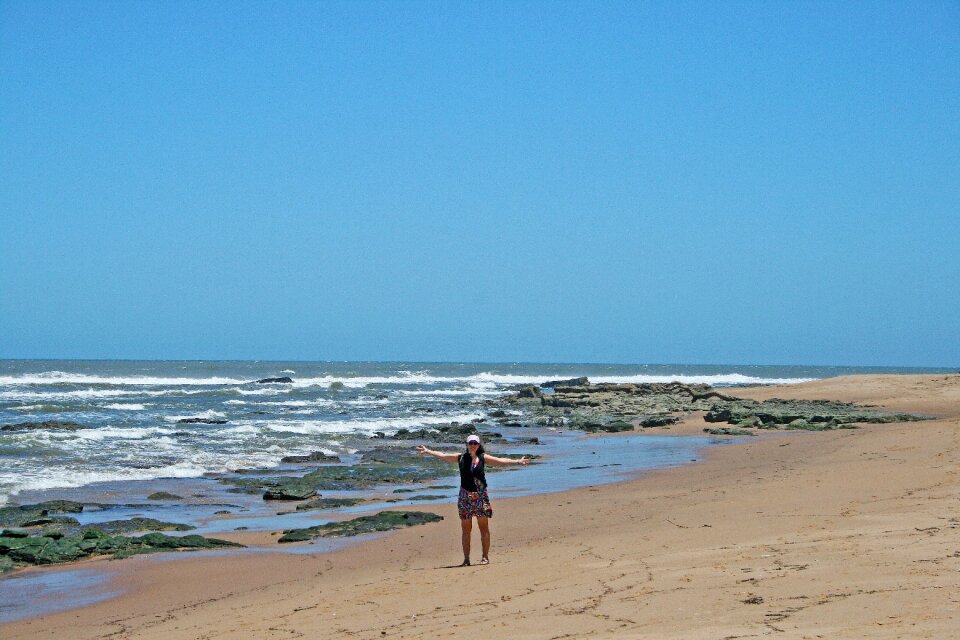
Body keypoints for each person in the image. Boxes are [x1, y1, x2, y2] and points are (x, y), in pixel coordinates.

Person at [416, 434, 528, 566]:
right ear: (467, 445)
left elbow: (500, 461)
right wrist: (428, 451)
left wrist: (517, 461)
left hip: (480, 496)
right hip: (465, 497)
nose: (473, 445)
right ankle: (466, 559)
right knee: (466, 530)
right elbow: (443, 455)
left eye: (475, 443)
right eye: (470, 443)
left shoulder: (483, 457)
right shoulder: (460, 457)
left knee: (483, 528)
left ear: (479, 445)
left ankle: (485, 557)